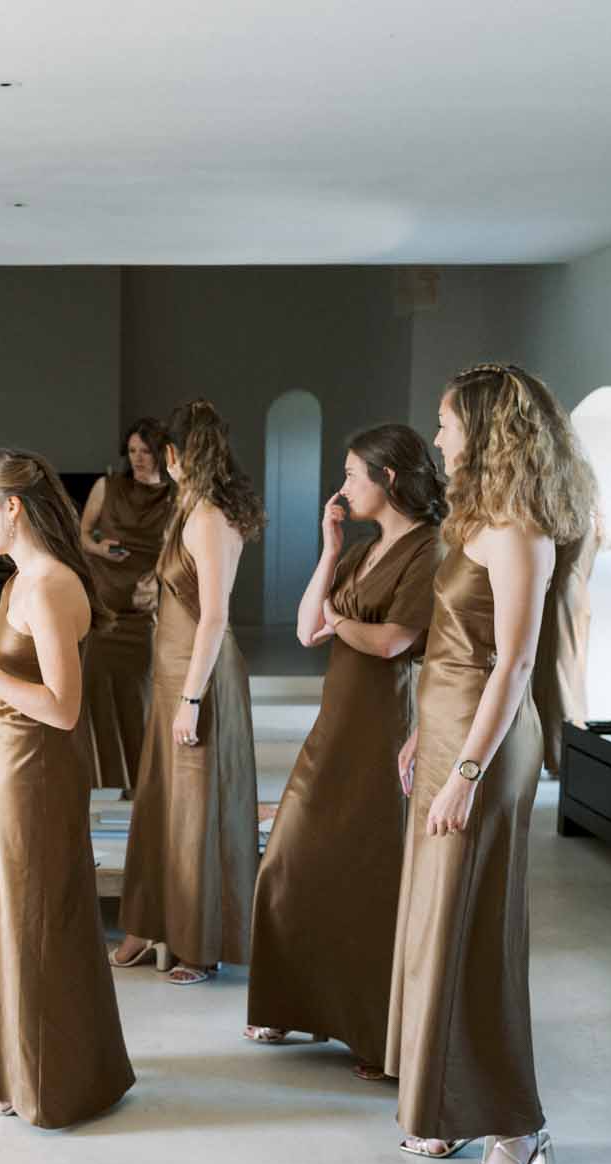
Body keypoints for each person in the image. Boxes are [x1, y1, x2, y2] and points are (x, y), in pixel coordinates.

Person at [386, 363, 591, 1164]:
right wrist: (420, 733)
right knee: (440, 927)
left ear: (486, 427)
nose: (436, 436)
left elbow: (512, 664)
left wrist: (465, 770)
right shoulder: (474, 520)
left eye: (445, 421)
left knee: (479, 930)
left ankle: (519, 1124)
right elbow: (450, 642)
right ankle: (456, 1100)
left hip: (488, 744)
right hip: (445, 728)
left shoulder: (518, 533)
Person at [0, 448, 135, 1126]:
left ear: (13, 507)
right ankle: (34, 1065)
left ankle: (49, 1079)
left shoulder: (46, 585)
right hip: (12, 765)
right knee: (20, 915)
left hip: (37, 774)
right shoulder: (24, 579)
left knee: (26, 918)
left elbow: (63, 707)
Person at [244, 425, 444, 1075]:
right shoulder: (360, 550)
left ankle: (371, 1031)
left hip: (386, 728)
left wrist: (344, 624)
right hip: (336, 725)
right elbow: (309, 629)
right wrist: (329, 550)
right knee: (289, 859)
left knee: (367, 881)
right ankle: (295, 1001)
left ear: (388, 479)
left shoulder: (429, 550)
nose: (343, 485)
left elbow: (393, 642)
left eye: (354, 472)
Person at [116, 400, 264, 984]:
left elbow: (216, 616)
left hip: (201, 676)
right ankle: (148, 924)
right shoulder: (189, 508)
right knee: (160, 802)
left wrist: (193, 698)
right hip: (172, 669)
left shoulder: (208, 518)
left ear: (175, 455)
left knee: (197, 811)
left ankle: (200, 944)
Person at [79, 417, 177, 795]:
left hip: (144, 606)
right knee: (96, 692)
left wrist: (158, 579)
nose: (138, 458)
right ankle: (104, 784)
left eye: (146, 451)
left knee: (139, 699)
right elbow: (82, 535)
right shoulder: (107, 486)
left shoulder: (175, 496)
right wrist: (100, 547)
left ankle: (143, 785)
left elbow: (179, 551)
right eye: (132, 451)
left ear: (162, 453)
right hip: (104, 602)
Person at [530, 489, 600, 776]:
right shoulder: (591, 516)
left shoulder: (571, 516)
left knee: (560, 674)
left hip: (563, 594)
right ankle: (560, 754)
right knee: (566, 672)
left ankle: (561, 757)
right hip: (576, 595)